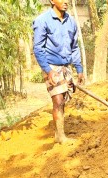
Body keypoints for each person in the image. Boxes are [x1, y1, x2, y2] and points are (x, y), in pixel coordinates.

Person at [33, 0, 84, 144]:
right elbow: (38, 48)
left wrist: (79, 69)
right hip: (51, 66)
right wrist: (48, 71)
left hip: (65, 66)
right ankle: (61, 137)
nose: (66, 1)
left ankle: (58, 133)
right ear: (52, 1)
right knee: (58, 100)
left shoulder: (71, 22)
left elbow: (74, 47)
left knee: (62, 101)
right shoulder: (42, 21)